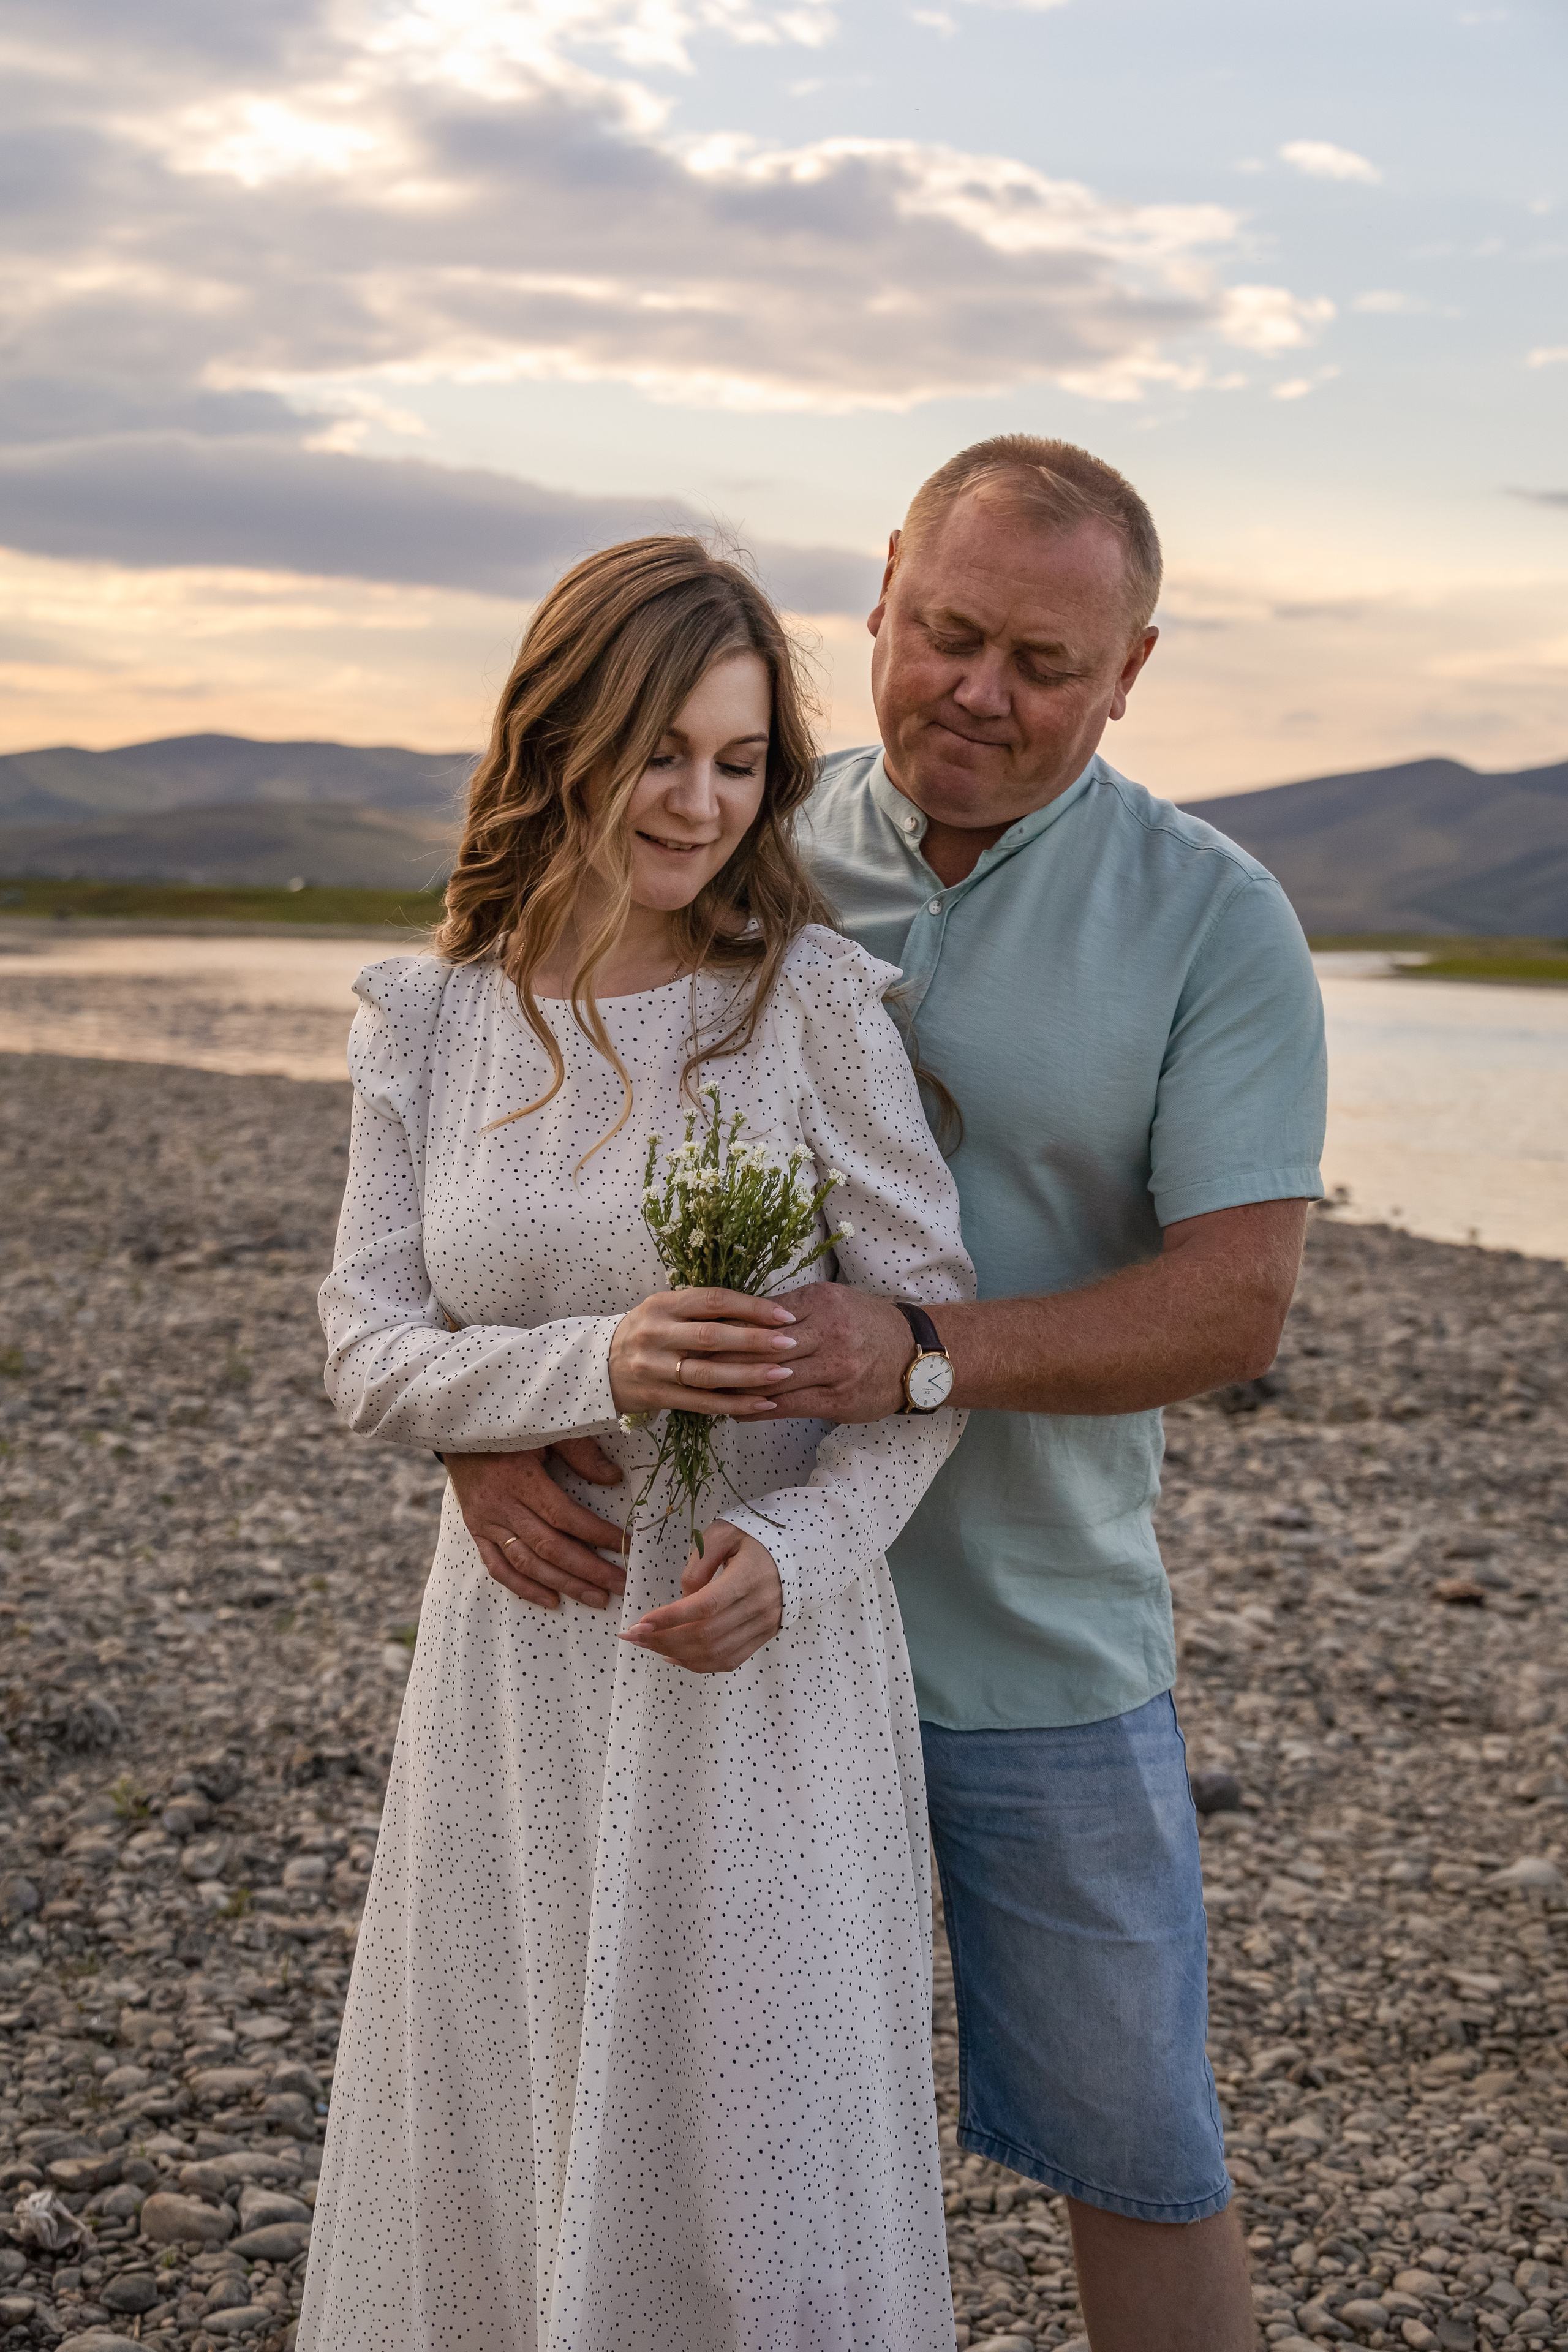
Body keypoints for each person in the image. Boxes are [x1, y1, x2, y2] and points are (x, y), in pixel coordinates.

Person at [446, 437, 1327, 2352]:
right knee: (694, 2145)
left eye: (1044, 661)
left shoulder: (1216, 918)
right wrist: (478, 1425)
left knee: (1140, 2149)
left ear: (1133, 670)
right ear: (880, 601)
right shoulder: (729, 829)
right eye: (946, 635)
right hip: (704, 1653)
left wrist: (928, 1353)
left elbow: (1238, 1304)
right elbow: (527, 1178)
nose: (981, 694)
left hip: (1031, 1650)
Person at [298, 537, 974, 2352]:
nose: (699, 802)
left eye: (741, 762)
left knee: (754, 2162)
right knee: (509, 2128)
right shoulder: (432, 1020)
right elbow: (369, 1344)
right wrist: (582, 1368)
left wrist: (807, 1561)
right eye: (659, 750)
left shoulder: (809, 1004)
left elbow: (929, 1354)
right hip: (518, 1670)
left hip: (753, 1668)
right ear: (560, 739)